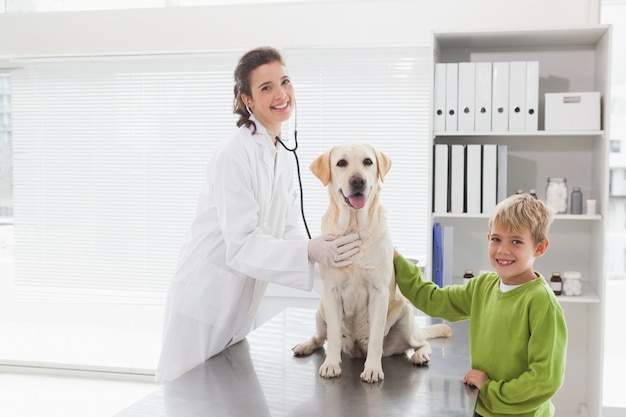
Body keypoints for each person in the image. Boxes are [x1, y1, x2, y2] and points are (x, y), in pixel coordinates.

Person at [155, 47, 361, 383]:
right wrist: (310, 251)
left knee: (225, 396)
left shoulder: (280, 154)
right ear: (247, 100)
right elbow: (242, 245)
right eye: (266, 88)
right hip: (204, 302)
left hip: (236, 307)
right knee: (187, 399)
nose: (281, 94)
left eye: (285, 81)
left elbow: (289, 229)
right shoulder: (235, 154)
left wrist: (340, 273)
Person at [394, 193, 567, 417]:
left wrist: (491, 390)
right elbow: (435, 300)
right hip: (482, 406)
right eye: (496, 239)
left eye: (516, 241)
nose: (503, 250)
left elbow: (545, 379)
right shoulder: (483, 286)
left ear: (540, 247)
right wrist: (396, 260)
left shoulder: (542, 303)